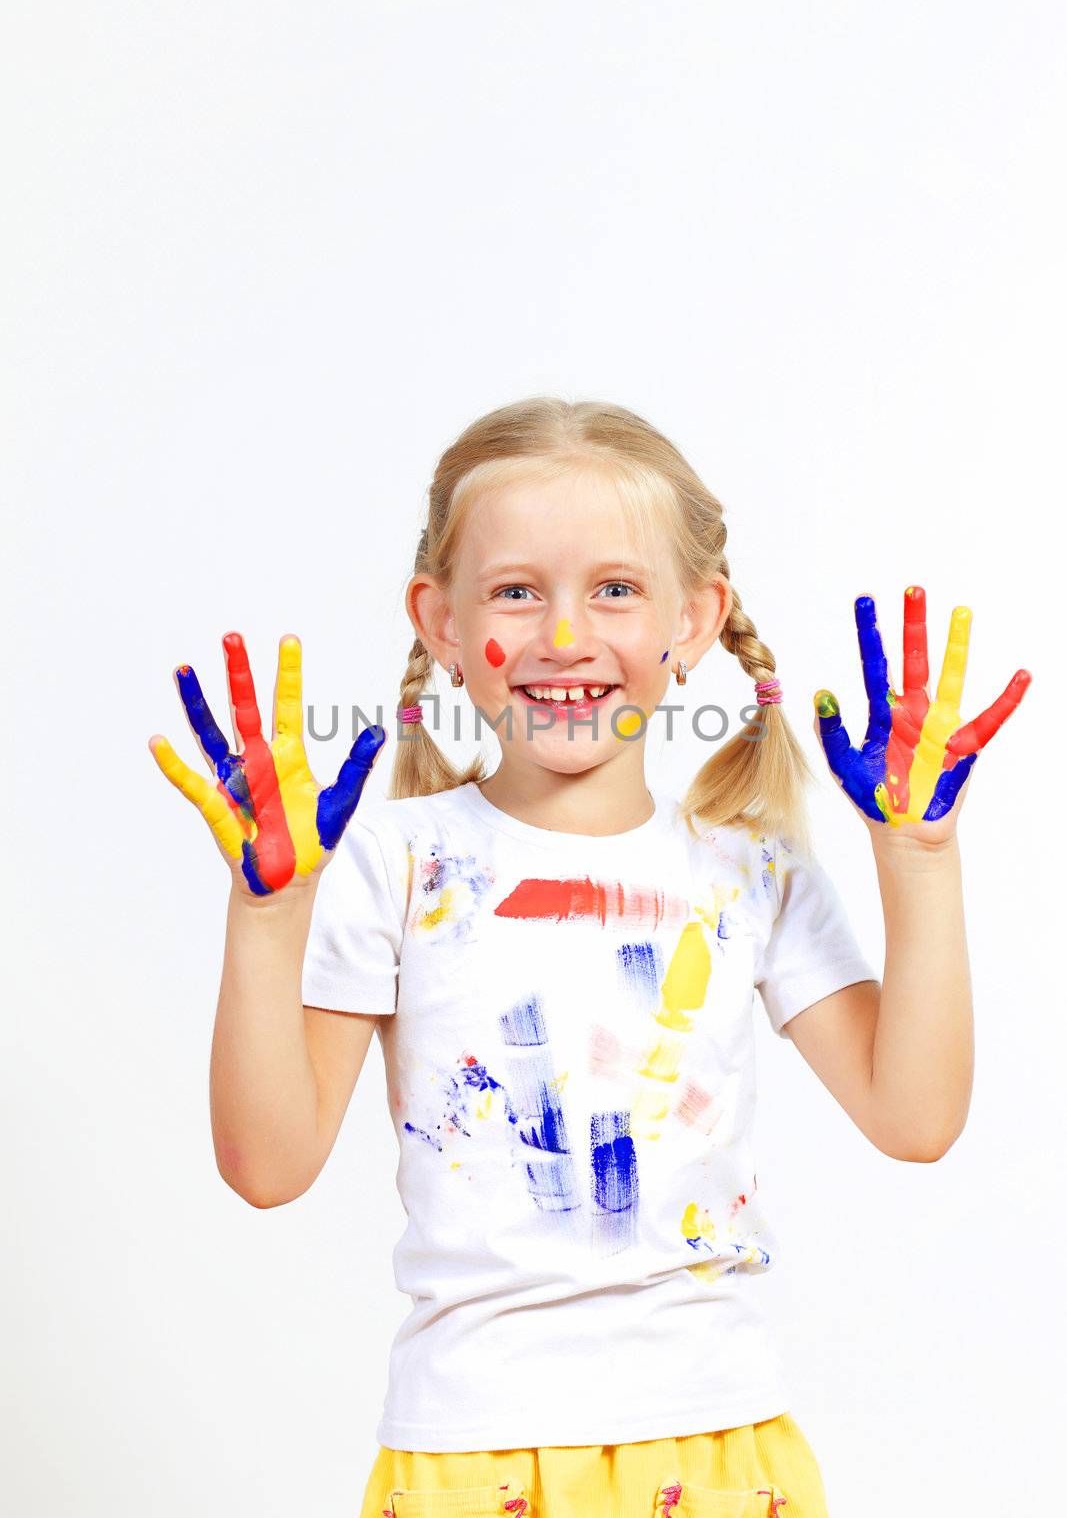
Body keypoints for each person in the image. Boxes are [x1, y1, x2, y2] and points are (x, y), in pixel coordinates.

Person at [149, 397, 1029, 1518]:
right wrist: (266, 913)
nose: (564, 638)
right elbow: (265, 1167)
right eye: (517, 591)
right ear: (441, 621)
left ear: (694, 619)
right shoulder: (396, 860)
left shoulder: (745, 873)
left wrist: (919, 855)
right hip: (470, 1456)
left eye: (613, 588)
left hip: (716, 1449)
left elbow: (915, 1117)